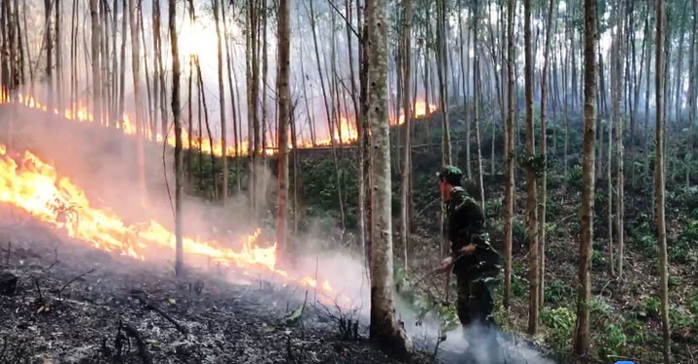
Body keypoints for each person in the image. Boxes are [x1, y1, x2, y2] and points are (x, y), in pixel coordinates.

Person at [436, 165, 501, 328]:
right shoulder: (453, 205)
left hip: (480, 267)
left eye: (440, 182)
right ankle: (473, 350)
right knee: (464, 312)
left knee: (481, 313)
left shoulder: (468, 205)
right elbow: (460, 241)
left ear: (444, 181)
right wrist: (453, 256)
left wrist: (453, 257)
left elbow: (478, 243)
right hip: (465, 267)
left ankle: (495, 352)